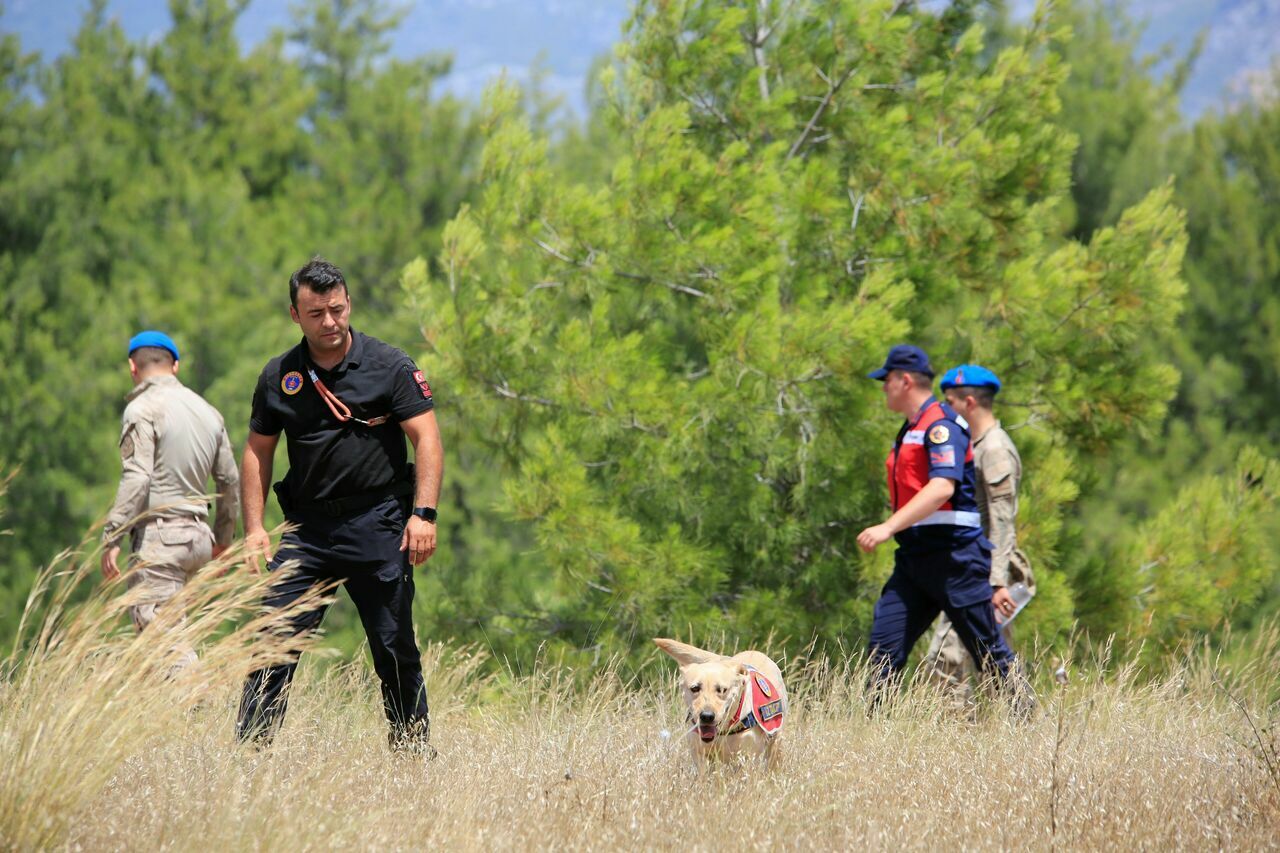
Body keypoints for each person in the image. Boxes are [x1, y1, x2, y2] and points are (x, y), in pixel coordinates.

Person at [236, 257, 443, 755]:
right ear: (295, 315)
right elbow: (256, 451)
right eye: (316, 313)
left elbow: (428, 440)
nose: (329, 322)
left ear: (348, 303)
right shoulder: (278, 376)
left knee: (394, 647)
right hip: (307, 532)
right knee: (273, 641)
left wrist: (424, 514)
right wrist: (254, 528)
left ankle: (412, 755)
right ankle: (249, 758)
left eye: (336, 309)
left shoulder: (390, 366)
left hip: (380, 523)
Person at [856, 345, 1023, 705]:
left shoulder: (941, 426)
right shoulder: (911, 428)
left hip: (955, 560)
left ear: (904, 380)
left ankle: (1028, 724)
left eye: (887, 380)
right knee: (883, 649)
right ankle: (871, 733)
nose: (883, 387)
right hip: (915, 558)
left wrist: (887, 527)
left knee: (990, 655)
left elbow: (942, 486)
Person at [102, 330, 240, 670]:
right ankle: (175, 720)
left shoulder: (142, 409)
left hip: (161, 538)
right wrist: (222, 540)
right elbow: (229, 480)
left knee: (161, 643)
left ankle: (200, 708)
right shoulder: (208, 412)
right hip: (199, 539)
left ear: (132, 367)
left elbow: (138, 476)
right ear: (175, 365)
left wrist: (112, 535)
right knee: (172, 638)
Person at [922, 365, 1036, 704]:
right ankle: (1019, 730)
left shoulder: (995, 449)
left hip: (985, 574)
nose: (943, 410)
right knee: (993, 664)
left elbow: (1002, 523)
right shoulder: (975, 445)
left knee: (947, 659)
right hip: (973, 570)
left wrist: (996, 581)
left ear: (969, 402)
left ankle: (956, 740)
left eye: (950, 401)